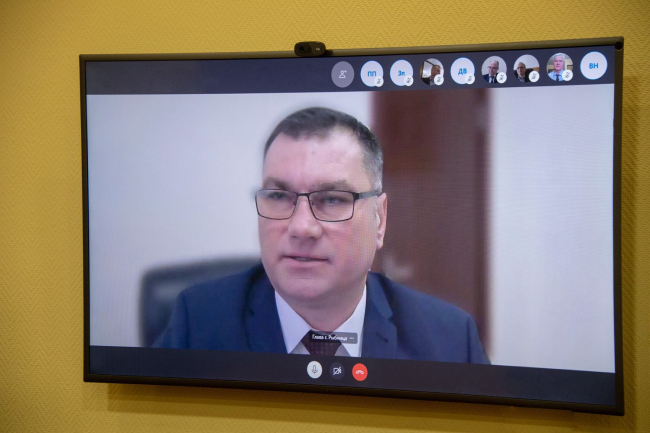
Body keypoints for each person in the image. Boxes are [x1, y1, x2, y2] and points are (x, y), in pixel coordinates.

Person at [154, 107, 489, 364]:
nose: (302, 228)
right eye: (278, 196)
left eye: (331, 200)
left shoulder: (449, 340)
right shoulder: (198, 323)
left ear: (380, 219)